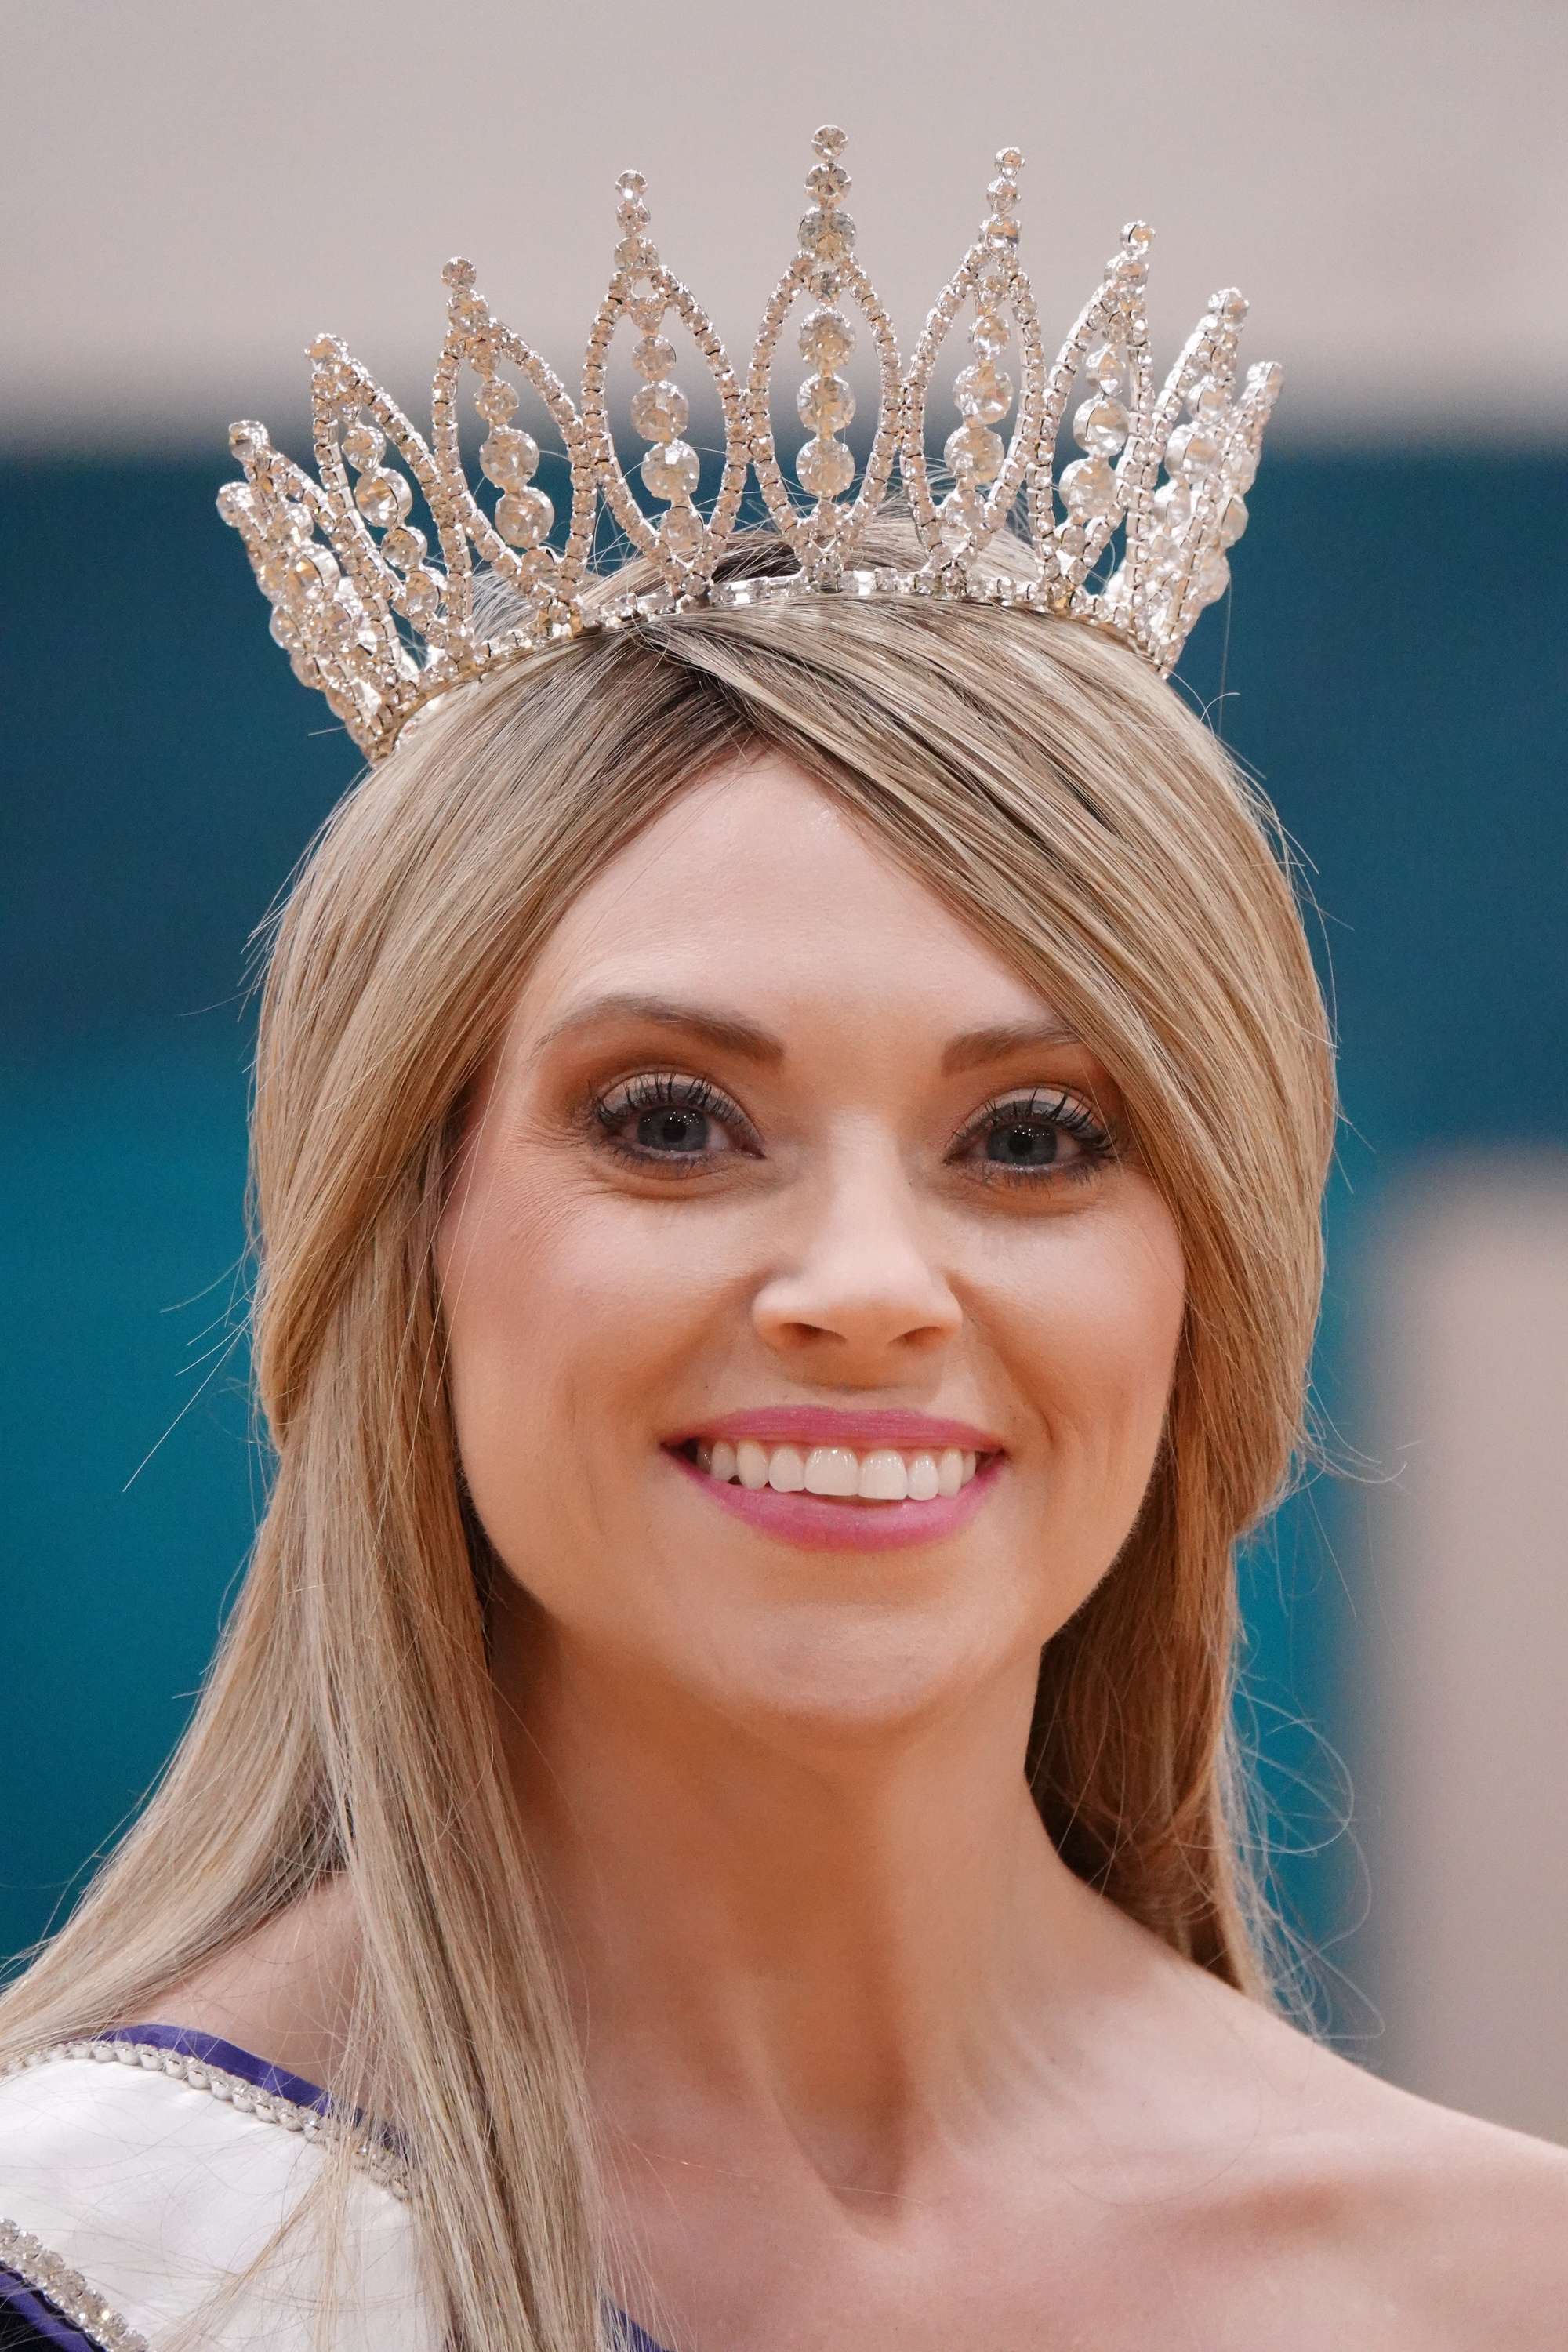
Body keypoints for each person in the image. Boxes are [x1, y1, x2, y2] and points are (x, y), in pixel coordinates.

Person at [2, 132, 1564, 2352]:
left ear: (1207, 1276)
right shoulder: (108, 2263)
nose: (867, 1281)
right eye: (670, 1121)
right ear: (399, 1232)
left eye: (1033, 1138)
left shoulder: (1499, 2289)